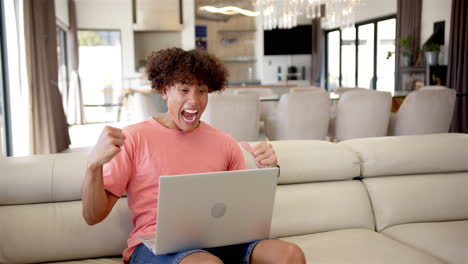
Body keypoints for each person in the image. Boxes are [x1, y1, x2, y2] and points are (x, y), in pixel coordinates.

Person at [82, 48, 306, 264]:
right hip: (156, 246)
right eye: (184, 90)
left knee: (290, 255)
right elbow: (93, 216)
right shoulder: (133, 138)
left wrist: (268, 170)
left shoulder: (225, 143)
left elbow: (244, 214)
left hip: (220, 241)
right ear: (164, 90)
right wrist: (94, 165)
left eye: (202, 90)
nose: (194, 101)